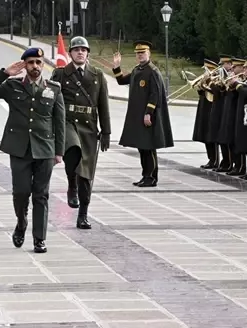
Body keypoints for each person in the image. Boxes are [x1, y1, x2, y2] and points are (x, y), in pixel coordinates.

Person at [0, 46, 65, 253]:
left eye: (38, 63)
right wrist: (5, 73)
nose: (35, 66)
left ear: (43, 65)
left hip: (44, 149)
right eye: (30, 63)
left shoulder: (54, 88)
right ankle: (21, 222)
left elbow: (59, 122)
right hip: (19, 149)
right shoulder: (13, 86)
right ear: (25, 66)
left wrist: (59, 151)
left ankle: (39, 239)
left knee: (41, 194)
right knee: (20, 193)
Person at [55, 36, 111, 230]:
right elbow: (51, 101)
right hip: (67, 122)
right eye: (76, 49)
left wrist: (106, 132)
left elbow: (103, 105)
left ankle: (83, 214)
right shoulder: (61, 74)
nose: (80, 52)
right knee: (73, 151)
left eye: (83, 50)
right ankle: (71, 184)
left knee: (86, 174)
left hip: (89, 126)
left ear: (87, 54)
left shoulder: (97, 75)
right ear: (70, 53)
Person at [112, 41, 173, 187]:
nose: (140, 55)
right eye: (138, 53)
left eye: (143, 53)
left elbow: (155, 94)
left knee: (148, 147)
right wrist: (116, 66)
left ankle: (151, 177)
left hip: (147, 116)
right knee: (142, 146)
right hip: (138, 115)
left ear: (149, 53)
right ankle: (145, 175)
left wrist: (148, 113)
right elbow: (121, 81)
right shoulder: (137, 70)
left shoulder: (152, 71)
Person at [193, 59, 219, 169]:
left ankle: (215, 160)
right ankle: (210, 159)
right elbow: (202, 92)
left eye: (208, 70)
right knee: (204, 134)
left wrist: (207, 83)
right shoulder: (206, 79)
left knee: (211, 136)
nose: (206, 72)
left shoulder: (216, 79)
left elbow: (215, 92)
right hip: (203, 107)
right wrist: (200, 85)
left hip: (211, 108)